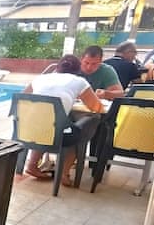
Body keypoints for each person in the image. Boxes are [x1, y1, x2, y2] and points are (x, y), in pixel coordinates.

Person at [21, 54, 104, 186]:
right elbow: (96, 107)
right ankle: (64, 174)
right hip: (54, 134)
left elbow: (22, 97)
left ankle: (32, 165)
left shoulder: (40, 78)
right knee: (78, 134)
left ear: (57, 68)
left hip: (26, 130)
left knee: (47, 124)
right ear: (78, 70)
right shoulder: (79, 81)